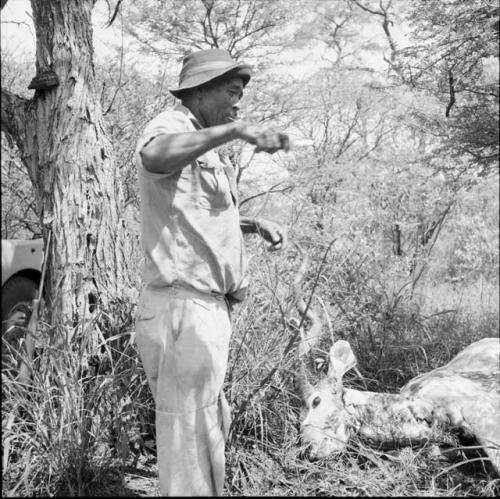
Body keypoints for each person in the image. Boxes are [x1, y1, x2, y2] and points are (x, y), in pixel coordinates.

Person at [134, 48, 290, 496]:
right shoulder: (171, 126)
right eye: (232, 92)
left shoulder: (203, 140)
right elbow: (154, 158)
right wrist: (235, 131)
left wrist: (250, 223)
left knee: (203, 434)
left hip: (205, 310)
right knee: (187, 443)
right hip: (183, 306)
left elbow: (189, 212)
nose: (237, 104)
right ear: (199, 91)